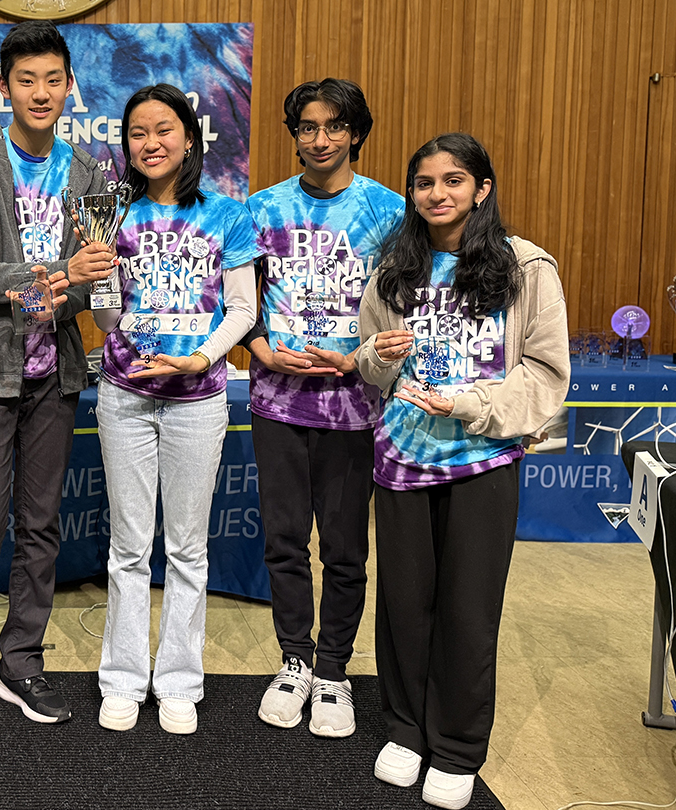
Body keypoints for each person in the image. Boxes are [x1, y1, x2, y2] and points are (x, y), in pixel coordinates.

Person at [357, 132, 569, 809]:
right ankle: (406, 729)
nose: (438, 193)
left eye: (453, 180)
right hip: (402, 460)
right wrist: (381, 356)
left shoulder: (525, 266)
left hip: (483, 460)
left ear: (482, 189)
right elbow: (368, 365)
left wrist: (470, 404)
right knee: (403, 604)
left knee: (468, 609)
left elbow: (545, 372)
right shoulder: (394, 265)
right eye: (424, 183)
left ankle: (455, 747)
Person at [0, 19, 114, 731]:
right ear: (4, 87)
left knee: (41, 524)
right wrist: (58, 272)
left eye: (53, 80)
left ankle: (22, 661)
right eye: (26, 80)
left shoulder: (89, 175)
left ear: (70, 87)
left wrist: (75, 288)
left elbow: (94, 282)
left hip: (55, 373)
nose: (40, 93)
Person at [93, 83, 259, 735]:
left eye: (163, 130)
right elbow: (107, 319)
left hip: (197, 399)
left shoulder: (227, 215)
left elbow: (243, 309)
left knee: (188, 548)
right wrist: (100, 275)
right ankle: (123, 679)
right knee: (128, 547)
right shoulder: (111, 213)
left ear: (189, 139)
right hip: (125, 394)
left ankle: (181, 681)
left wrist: (203, 358)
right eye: (137, 133)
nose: (151, 142)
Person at [244, 78, 403, 738]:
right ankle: (295, 662)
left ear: (355, 133)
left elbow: (406, 309)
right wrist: (260, 349)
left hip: (354, 408)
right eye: (307, 127)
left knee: (344, 550)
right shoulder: (261, 209)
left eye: (334, 126)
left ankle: (334, 671)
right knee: (284, 543)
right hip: (276, 404)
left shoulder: (390, 211)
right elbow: (240, 301)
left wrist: (360, 358)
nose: (320, 139)